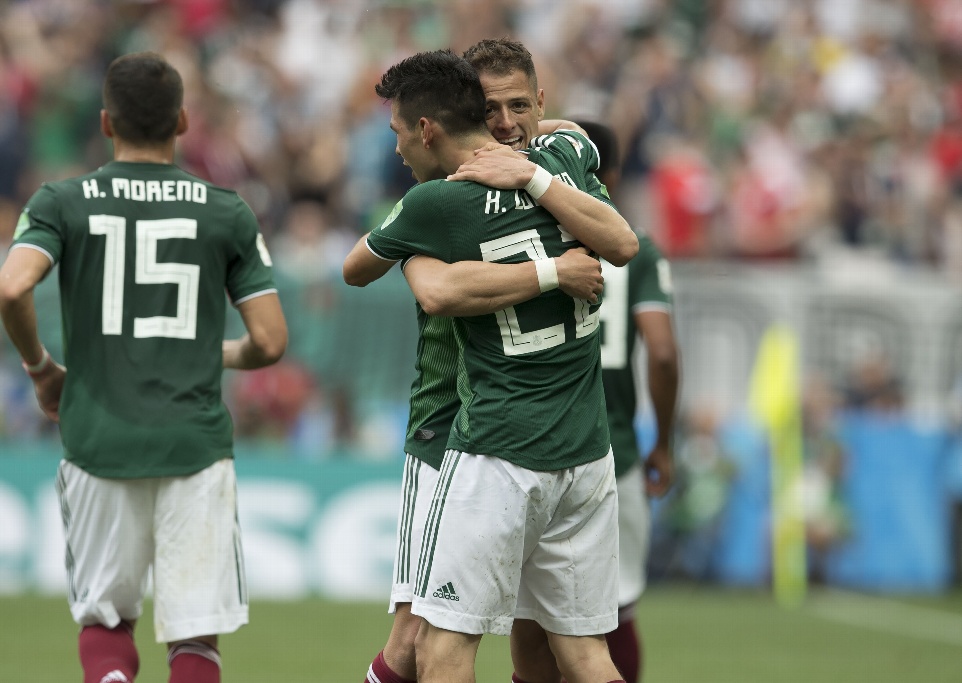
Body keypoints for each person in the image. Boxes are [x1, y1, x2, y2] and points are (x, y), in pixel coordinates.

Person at [348, 44, 636, 683]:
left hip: (484, 440)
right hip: (562, 441)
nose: (506, 124)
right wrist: (553, 260)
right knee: (563, 650)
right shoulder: (565, 159)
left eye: (518, 107)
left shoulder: (447, 201)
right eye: (490, 109)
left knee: (435, 641)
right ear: (467, 111)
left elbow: (387, 277)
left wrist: (420, 234)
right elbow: (619, 236)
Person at [0, 52, 287, 683]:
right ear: (182, 120)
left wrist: (41, 367)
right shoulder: (226, 209)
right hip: (194, 444)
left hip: (98, 439)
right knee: (195, 638)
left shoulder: (62, 201)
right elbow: (269, 342)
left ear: (106, 122)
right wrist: (213, 352)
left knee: (106, 621)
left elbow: (12, 287)